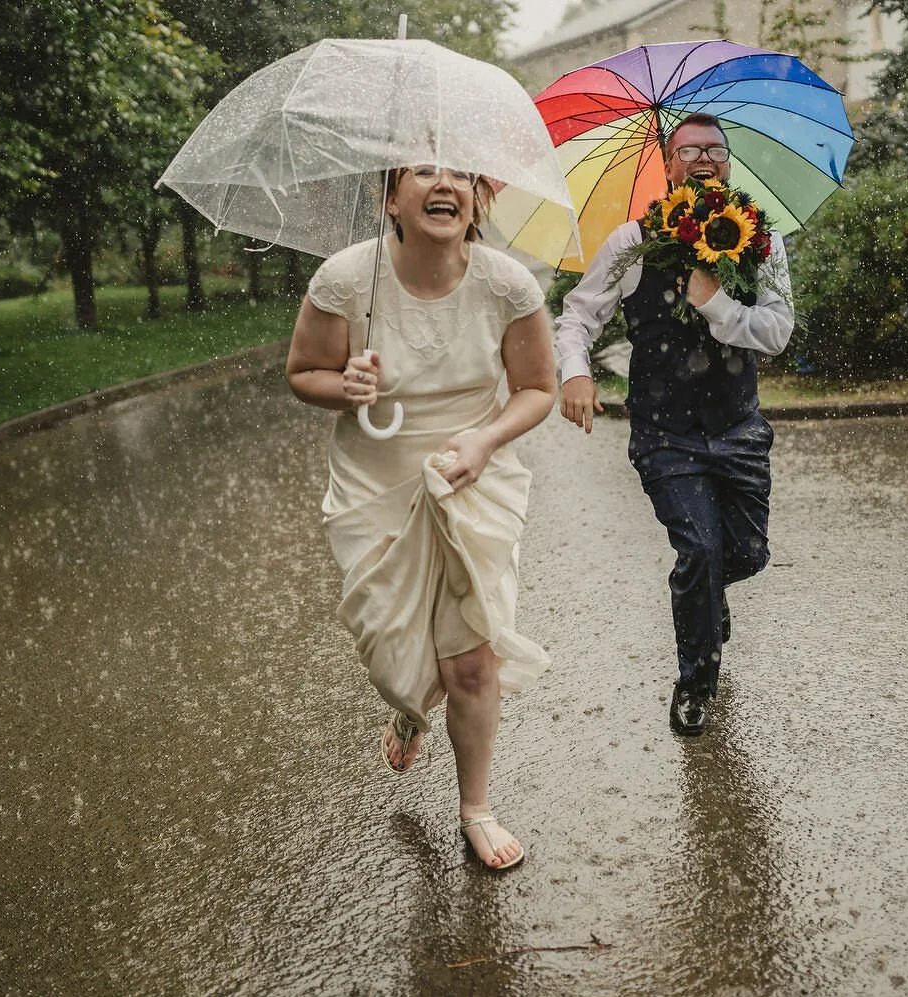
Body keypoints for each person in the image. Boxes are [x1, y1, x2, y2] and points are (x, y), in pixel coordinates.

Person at [286, 164, 557, 870]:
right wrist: (344, 386)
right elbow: (303, 372)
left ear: (477, 200)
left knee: (468, 659)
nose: (445, 185)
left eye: (460, 174)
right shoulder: (346, 279)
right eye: (424, 172)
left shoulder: (507, 284)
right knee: (393, 651)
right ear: (391, 199)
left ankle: (477, 808)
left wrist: (487, 439)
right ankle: (409, 710)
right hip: (375, 487)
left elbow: (537, 388)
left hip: (471, 481)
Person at [552, 113, 794, 737]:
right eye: (689, 150)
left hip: (739, 429)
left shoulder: (761, 242)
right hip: (666, 435)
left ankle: (708, 595)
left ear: (729, 164)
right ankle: (695, 684)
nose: (704, 158)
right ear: (667, 164)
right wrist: (575, 373)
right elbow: (578, 317)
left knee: (748, 554)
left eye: (715, 149)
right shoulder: (631, 243)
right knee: (700, 549)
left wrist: (715, 303)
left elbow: (776, 332)